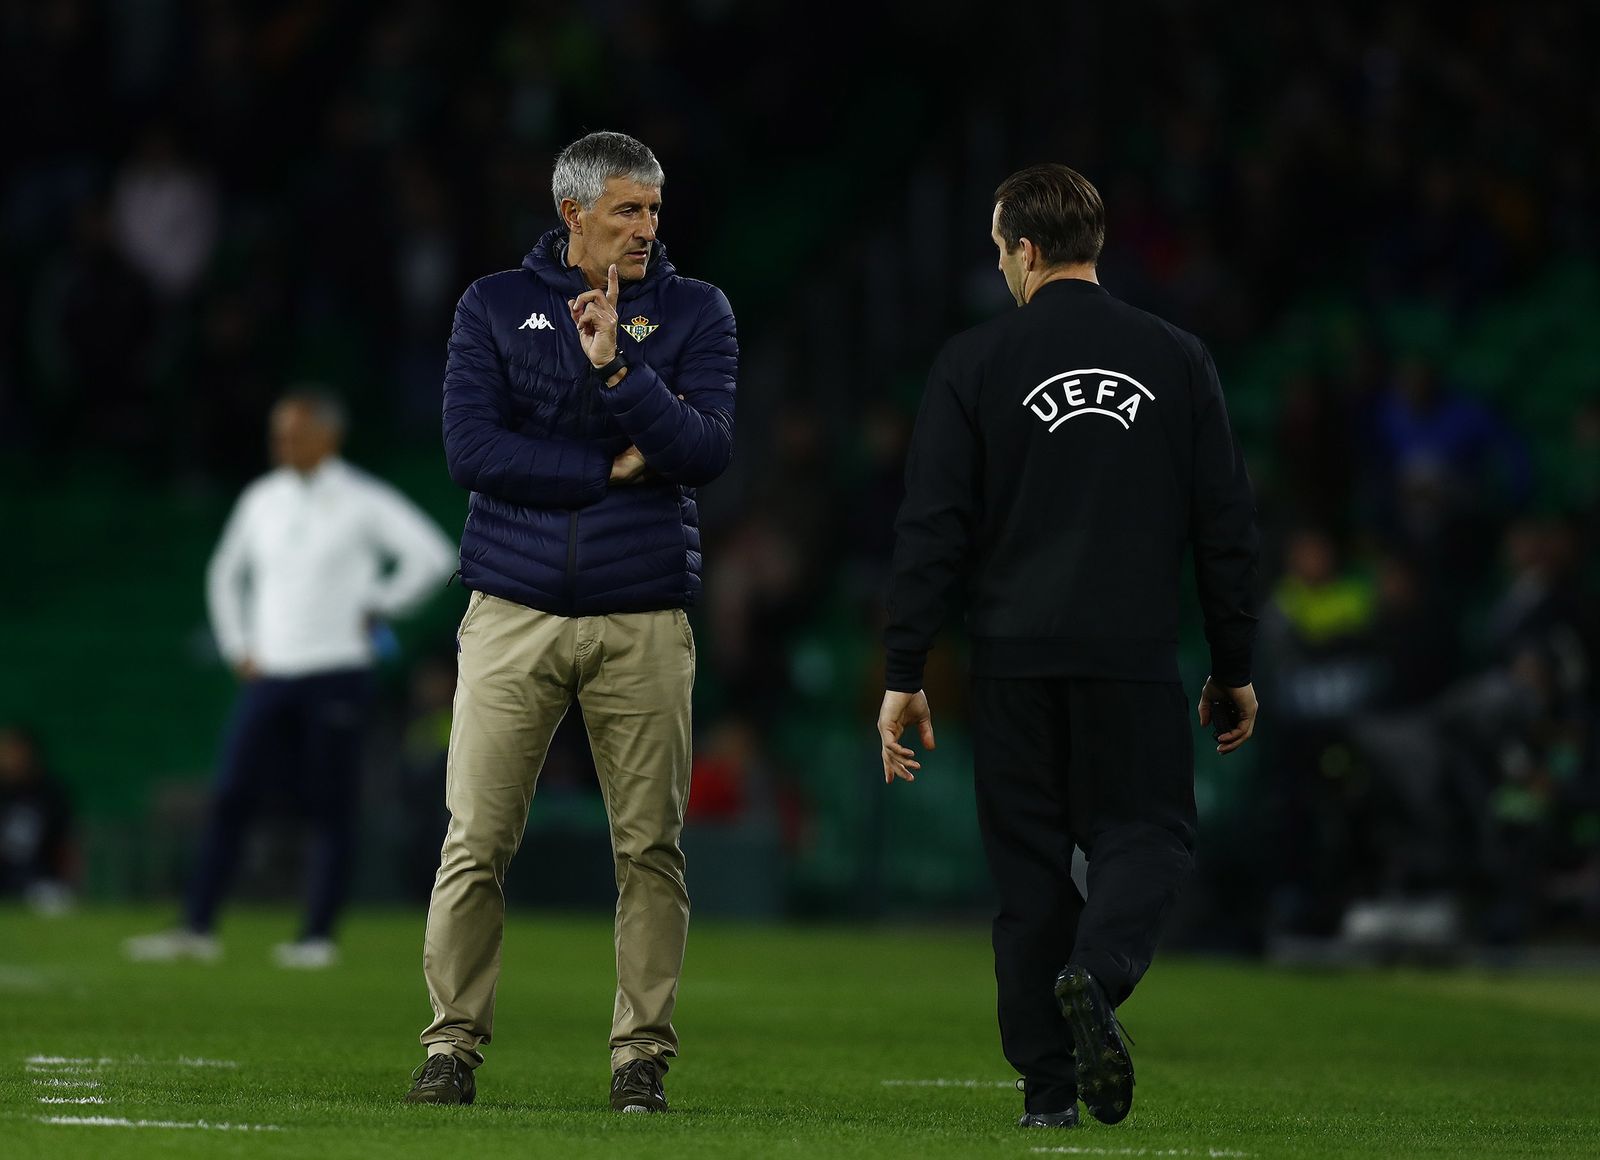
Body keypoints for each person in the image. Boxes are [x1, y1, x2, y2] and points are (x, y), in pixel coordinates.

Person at [878, 165, 1261, 1130]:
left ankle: (1048, 1095)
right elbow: (1224, 527)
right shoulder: (1178, 359)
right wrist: (1234, 662)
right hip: (1130, 656)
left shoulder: (972, 363)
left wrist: (904, 671)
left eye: (999, 249)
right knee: (1148, 836)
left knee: (1028, 873)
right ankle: (1096, 975)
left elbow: (932, 528)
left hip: (1011, 659)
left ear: (1026, 250)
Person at [403, 131, 736, 1113]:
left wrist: (619, 374)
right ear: (574, 214)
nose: (646, 228)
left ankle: (640, 1056)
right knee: (476, 840)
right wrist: (608, 468)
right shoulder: (494, 306)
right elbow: (472, 451)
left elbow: (705, 451)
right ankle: (451, 1046)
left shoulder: (694, 310)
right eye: (627, 210)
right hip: (511, 611)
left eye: (654, 210)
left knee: (652, 847)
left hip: (644, 616)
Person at [124, 390, 455, 968]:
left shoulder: (361, 499)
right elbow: (225, 573)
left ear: (328, 437)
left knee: (330, 805)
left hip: (338, 669)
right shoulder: (262, 498)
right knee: (230, 796)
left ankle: (316, 936)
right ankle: (197, 927)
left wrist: (377, 600)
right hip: (270, 672)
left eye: (293, 433)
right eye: (279, 433)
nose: (281, 444)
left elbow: (432, 555)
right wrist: (237, 646)